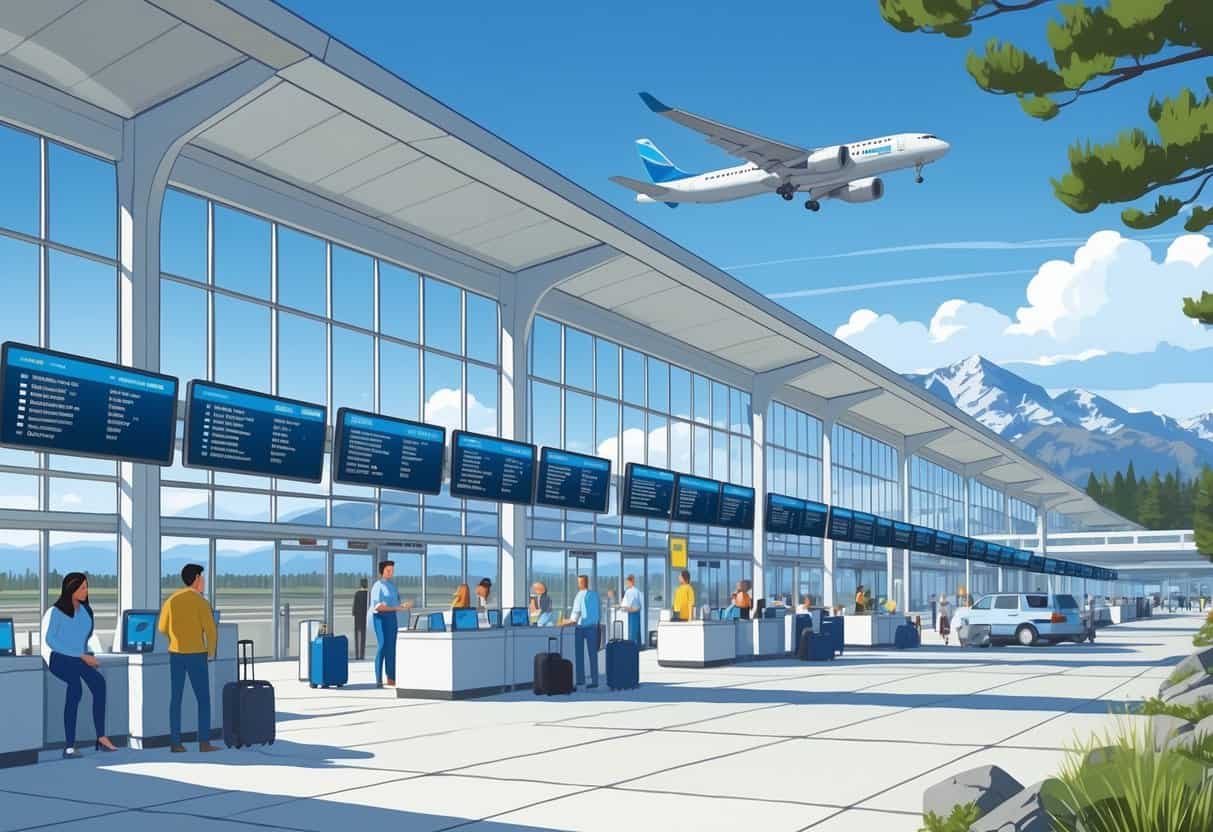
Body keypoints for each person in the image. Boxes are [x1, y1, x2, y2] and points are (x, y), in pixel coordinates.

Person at [42, 572, 117, 758]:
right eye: (82, 587)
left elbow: (82, 638)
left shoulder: (86, 612)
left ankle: (101, 737)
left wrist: (84, 653)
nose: (86, 591)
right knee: (75, 687)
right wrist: (81, 655)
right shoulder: (55, 612)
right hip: (58, 658)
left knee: (99, 684)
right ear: (71, 589)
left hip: (79, 657)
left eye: (86, 587)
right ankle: (69, 746)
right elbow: (51, 640)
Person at [158, 563, 218, 753]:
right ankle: (204, 742)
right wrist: (210, 652)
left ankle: (175, 743)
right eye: (202, 578)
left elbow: (161, 627)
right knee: (203, 699)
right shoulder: (201, 602)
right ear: (197, 579)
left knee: (176, 699)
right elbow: (211, 631)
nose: (204, 582)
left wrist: (174, 639)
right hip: (196, 655)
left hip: (176, 654)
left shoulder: (171, 600)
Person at [369, 561, 412, 688]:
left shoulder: (392, 586)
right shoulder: (378, 586)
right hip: (380, 618)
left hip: (392, 618)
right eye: (388, 570)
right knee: (382, 646)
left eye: (392, 570)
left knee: (392, 647)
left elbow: (395, 604)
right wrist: (396, 609)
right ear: (382, 571)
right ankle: (378, 678)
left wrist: (403, 606)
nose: (391, 572)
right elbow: (378, 606)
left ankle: (391, 677)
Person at [565, 575, 600, 689]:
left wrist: (567, 621)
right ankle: (595, 680)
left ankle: (581, 680)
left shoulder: (579, 595)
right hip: (593, 627)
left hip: (580, 628)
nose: (579, 584)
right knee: (593, 654)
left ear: (581, 583)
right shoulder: (594, 595)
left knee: (579, 654)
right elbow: (598, 612)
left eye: (579, 582)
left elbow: (575, 613)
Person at [620, 574, 643, 647]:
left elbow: (628, 605)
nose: (626, 584)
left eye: (627, 582)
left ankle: (631, 648)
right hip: (637, 612)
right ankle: (638, 647)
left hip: (632, 613)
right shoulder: (637, 591)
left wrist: (623, 607)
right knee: (637, 631)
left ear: (630, 582)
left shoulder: (629, 591)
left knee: (632, 632)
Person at [351, 578, 368, 661]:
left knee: (357, 637)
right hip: (365, 618)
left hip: (358, 619)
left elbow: (354, 609)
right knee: (363, 637)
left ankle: (357, 655)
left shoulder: (357, 594)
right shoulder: (368, 595)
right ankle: (362, 655)